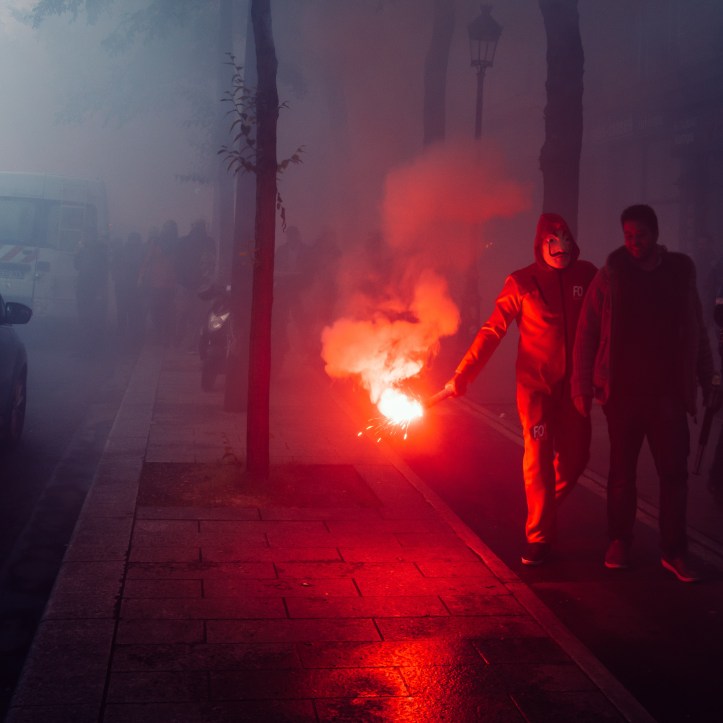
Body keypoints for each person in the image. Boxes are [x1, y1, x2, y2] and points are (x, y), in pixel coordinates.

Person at [572, 204, 714, 583]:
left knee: (675, 476)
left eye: (641, 235)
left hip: (668, 394)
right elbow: (586, 335)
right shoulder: (610, 277)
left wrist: (707, 378)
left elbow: (696, 328)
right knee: (622, 474)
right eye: (628, 236)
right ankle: (619, 541)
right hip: (623, 395)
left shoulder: (678, 273)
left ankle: (675, 551)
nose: (634, 242)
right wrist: (581, 387)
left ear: (655, 234)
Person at [445, 213, 597, 566]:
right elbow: (492, 330)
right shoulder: (521, 282)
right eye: (552, 239)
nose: (560, 246)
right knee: (538, 459)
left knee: (576, 460)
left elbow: (607, 323)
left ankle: (541, 510)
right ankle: (539, 535)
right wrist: (464, 373)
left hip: (575, 389)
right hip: (536, 388)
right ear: (540, 243)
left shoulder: (588, 276)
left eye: (565, 238)